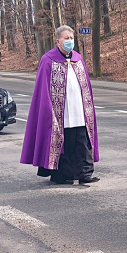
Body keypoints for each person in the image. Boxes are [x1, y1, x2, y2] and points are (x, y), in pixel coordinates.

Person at [20, 25, 99, 184]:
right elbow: (42, 89)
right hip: (59, 111)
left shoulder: (78, 58)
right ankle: (63, 175)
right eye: (66, 38)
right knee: (65, 142)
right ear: (57, 41)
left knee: (82, 141)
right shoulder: (48, 59)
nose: (70, 41)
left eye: (71, 38)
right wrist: (48, 110)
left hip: (79, 109)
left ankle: (84, 174)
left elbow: (86, 86)